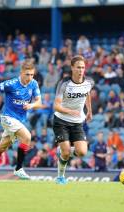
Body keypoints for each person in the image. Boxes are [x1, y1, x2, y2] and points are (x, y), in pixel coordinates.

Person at [0, 60, 42, 180]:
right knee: (27, 137)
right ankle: (18, 168)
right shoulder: (11, 84)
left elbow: (39, 102)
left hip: (19, 120)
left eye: (32, 75)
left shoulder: (34, 84)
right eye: (27, 74)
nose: (30, 77)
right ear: (21, 73)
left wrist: (31, 105)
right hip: (8, 118)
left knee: (2, 147)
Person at [52, 55, 94, 185]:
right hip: (61, 121)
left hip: (77, 122)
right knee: (65, 152)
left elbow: (87, 94)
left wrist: (89, 111)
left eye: (83, 67)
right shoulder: (64, 84)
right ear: (72, 68)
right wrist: (70, 111)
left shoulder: (89, 82)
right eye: (78, 67)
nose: (81, 70)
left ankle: (64, 150)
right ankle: (60, 177)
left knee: (82, 152)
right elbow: (56, 106)